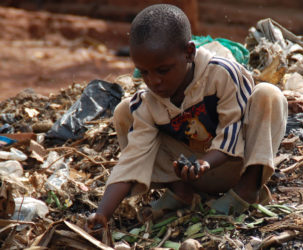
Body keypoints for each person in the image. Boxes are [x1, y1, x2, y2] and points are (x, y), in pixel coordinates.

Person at [87, 4, 288, 229]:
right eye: (144, 72)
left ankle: (247, 192)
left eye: (163, 70)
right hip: (189, 174)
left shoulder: (222, 74)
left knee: (268, 95)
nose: (154, 81)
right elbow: (132, 159)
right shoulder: (148, 102)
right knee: (125, 112)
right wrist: (102, 214)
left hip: (236, 165)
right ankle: (182, 194)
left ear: (189, 52)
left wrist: (204, 163)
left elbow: (234, 129)